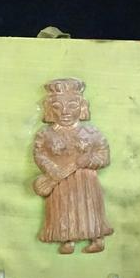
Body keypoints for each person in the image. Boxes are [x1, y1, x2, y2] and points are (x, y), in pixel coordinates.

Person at [33, 78, 113, 254]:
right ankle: (66, 239)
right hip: (60, 181)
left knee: (88, 208)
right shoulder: (45, 134)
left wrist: (90, 160)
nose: (65, 112)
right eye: (57, 106)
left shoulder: (91, 132)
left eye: (72, 106)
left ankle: (96, 237)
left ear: (82, 107)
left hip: (85, 181)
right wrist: (53, 169)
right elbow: (39, 155)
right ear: (49, 109)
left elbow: (104, 155)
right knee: (63, 209)